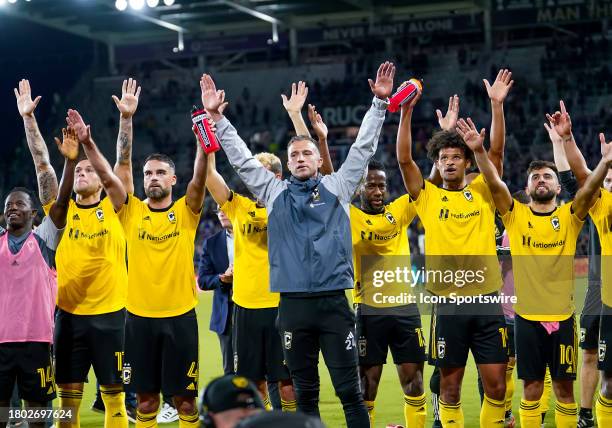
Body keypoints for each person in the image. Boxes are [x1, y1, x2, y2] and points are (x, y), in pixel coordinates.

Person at [200, 62, 395, 428]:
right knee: (304, 392)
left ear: (319, 160)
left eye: (307, 154)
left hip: (335, 303)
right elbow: (241, 159)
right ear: (287, 165)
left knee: (349, 392)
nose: (301, 159)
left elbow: (364, 147)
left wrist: (379, 104)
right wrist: (216, 119)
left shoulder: (337, 188)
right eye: (294, 156)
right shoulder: (274, 193)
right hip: (292, 306)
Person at [65, 106, 208, 428]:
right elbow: (108, 177)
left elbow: (200, 177)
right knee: (146, 401)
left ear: (173, 179)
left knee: (185, 402)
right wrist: (87, 143)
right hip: (139, 320)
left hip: (181, 316)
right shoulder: (129, 211)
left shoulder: (187, 210)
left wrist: (203, 137)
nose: (153, 178)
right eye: (148, 174)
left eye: (160, 173)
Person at [454, 116, 602, 428]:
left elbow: (589, 187)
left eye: (547, 176)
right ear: (527, 186)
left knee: (564, 391)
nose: (541, 180)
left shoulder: (570, 216)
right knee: (531, 390)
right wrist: (479, 152)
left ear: (558, 186)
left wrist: (600, 160)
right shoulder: (514, 215)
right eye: (535, 177)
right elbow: (494, 182)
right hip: (526, 320)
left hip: (562, 319)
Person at [397, 70, 514, 427]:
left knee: (496, 386)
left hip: (486, 301)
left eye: (454, 157)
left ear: (466, 161)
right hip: (448, 304)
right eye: (442, 158)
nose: (447, 162)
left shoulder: (483, 190)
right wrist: (405, 113)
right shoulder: (427, 197)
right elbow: (404, 161)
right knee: (449, 389)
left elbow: (496, 151)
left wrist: (496, 106)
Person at [204, 145, 296, 410]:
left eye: (261, 174)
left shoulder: (289, 203)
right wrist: (207, 143)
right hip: (245, 307)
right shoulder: (239, 206)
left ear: (277, 178)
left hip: (281, 304)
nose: (254, 180)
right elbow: (211, 177)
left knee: (287, 384)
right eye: (251, 174)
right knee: (253, 382)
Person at [0, 119, 75, 428]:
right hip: (1, 341)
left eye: (19, 204)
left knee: (36, 412)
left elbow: (60, 205)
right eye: (7, 206)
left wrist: (71, 162)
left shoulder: (43, 239)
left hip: (37, 341)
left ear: (33, 214)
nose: (12, 208)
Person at [350, 158, 427, 428]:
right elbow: (328, 183)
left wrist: (442, 147)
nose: (379, 191)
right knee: (366, 386)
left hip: (405, 308)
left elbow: (425, 187)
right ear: (359, 187)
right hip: (369, 310)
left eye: (382, 186)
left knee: (415, 382)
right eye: (371, 186)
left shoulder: (398, 211)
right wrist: (323, 140)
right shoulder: (349, 215)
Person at [545, 101, 604, 428]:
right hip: (598, 290)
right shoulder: (597, 203)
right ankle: (585, 414)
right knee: (590, 353)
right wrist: (558, 142)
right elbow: (571, 177)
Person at [198, 207, 234, 376]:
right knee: (230, 370)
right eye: (219, 210)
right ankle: (235, 402)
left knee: (261, 366)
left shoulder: (255, 236)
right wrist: (221, 279)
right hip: (226, 313)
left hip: (255, 309)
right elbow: (203, 280)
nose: (221, 212)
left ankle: (262, 402)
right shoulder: (211, 243)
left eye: (225, 208)